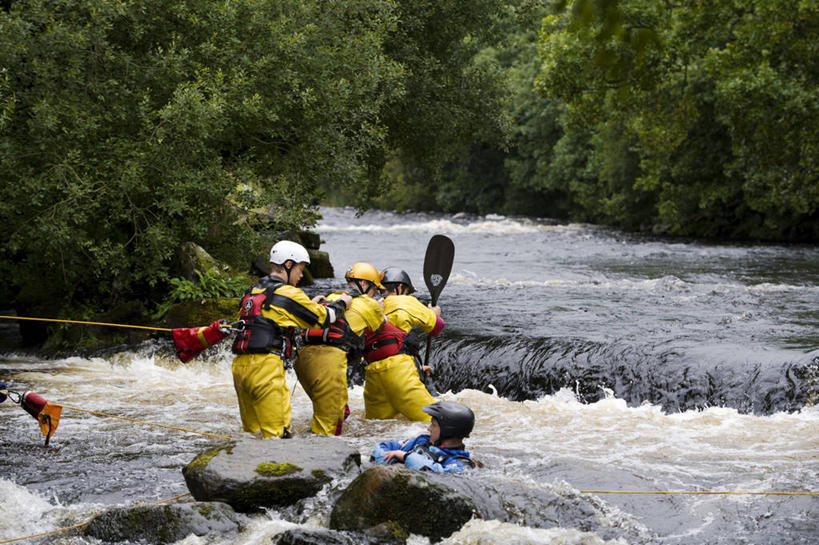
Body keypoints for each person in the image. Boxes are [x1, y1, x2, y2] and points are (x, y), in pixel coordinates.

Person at [231, 240, 351, 438]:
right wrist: (342, 303)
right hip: (266, 368)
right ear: (288, 265)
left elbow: (268, 321)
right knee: (277, 436)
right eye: (300, 268)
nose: (301, 275)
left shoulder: (252, 292)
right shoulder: (288, 292)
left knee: (251, 434)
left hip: (240, 369)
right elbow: (326, 318)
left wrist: (306, 306)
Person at [294, 262, 386, 436]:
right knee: (330, 426)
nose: (375, 295)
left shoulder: (331, 297)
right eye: (375, 290)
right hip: (328, 362)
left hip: (302, 361)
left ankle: (306, 440)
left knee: (339, 411)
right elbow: (382, 328)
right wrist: (380, 309)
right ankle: (325, 460)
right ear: (364, 284)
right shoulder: (370, 303)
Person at [361, 267, 443, 421]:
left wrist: (417, 368)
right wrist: (434, 313)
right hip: (399, 372)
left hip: (372, 377)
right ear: (400, 287)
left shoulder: (368, 305)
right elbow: (436, 328)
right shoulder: (405, 300)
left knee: (377, 429)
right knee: (436, 421)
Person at [371, 401, 476, 473]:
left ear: (448, 431)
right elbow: (380, 447)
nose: (428, 428)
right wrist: (392, 464)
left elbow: (439, 475)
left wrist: (405, 457)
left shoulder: (460, 463)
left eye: (433, 425)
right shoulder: (421, 441)